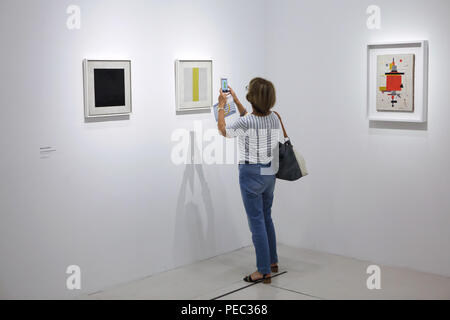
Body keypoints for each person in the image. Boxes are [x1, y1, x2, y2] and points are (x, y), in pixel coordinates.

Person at [217, 77, 285, 284]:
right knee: (266, 217)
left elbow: (224, 131)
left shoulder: (246, 122)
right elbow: (251, 118)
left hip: (251, 172)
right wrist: (236, 101)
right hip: (269, 172)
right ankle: (272, 262)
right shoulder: (275, 117)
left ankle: (263, 270)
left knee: (256, 222)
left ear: (252, 97)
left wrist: (221, 107)